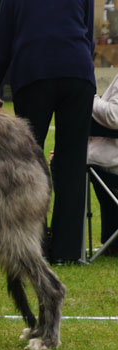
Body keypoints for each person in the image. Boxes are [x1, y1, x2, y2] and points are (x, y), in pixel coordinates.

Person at [0, 0, 95, 264]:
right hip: (76, 72)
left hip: (33, 73)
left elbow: (1, 51)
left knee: (29, 162)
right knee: (72, 163)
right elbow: (88, 38)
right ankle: (67, 251)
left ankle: (35, 245)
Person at [87, 72, 118, 256]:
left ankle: (65, 241)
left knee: (63, 163)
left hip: (112, 160)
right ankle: (112, 237)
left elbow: (114, 117)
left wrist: (89, 97)